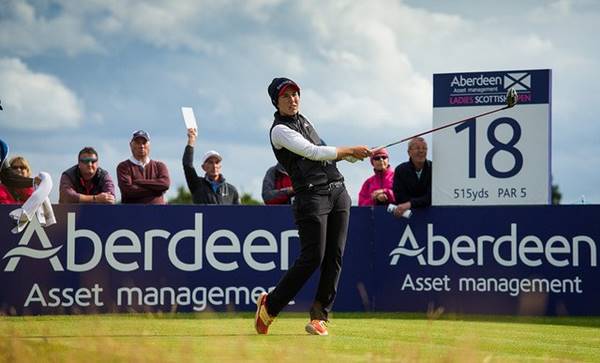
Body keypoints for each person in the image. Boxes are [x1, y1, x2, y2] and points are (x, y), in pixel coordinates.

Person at [254, 77, 370, 336]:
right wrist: (349, 149)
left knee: (335, 256)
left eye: (295, 94)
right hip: (311, 197)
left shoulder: (305, 120)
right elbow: (313, 153)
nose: (293, 99)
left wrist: (352, 157)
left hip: (338, 192)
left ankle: (320, 317)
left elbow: (322, 149)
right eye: (286, 96)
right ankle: (271, 305)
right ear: (276, 101)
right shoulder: (279, 131)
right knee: (312, 258)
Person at [182, 128, 240, 205]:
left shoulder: (231, 190)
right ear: (203, 167)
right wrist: (191, 141)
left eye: (217, 162)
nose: (214, 165)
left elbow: (239, 214)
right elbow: (187, 165)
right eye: (210, 162)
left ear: (220, 166)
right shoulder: (197, 184)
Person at [117, 130, 170, 204]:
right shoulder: (123, 167)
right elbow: (128, 191)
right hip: (133, 214)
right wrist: (157, 191)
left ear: (149, 145)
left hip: (158, 213)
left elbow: (165, 184)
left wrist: (138, 182)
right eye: (138, 143)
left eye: (144, 143)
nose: (141, 146)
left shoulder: (160, 166)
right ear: (131, 145)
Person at [391, 137, 432, 218]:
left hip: (431, 213)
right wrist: (414, 203)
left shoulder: (434, 168)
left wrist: (410, 204)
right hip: (408, 216)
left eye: (424, 148)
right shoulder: (400, 170)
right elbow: (400, 197)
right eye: (417, 148)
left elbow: (431, 196)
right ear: (409, 152)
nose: (421, 151)